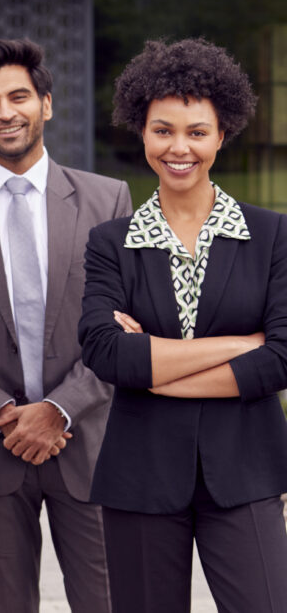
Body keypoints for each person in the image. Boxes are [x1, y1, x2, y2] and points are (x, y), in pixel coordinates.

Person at [78, 38, 287, 613]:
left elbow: (282, 360)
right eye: (162, 130)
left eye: (197, 132)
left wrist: (154, 367)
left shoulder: (272, 236)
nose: (179, 147)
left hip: (246, 472)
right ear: (141, 133)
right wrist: (238, 345)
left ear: (222, 135)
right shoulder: (110, 244)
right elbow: (105, 352)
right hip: (140, 477)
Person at [0, 38, 129, 613]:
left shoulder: (107, 200)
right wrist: (0, 413)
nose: (6, 112)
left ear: (45, 103)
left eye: (19, 96)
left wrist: (59, 408)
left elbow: (125, 330)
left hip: (89, 442)